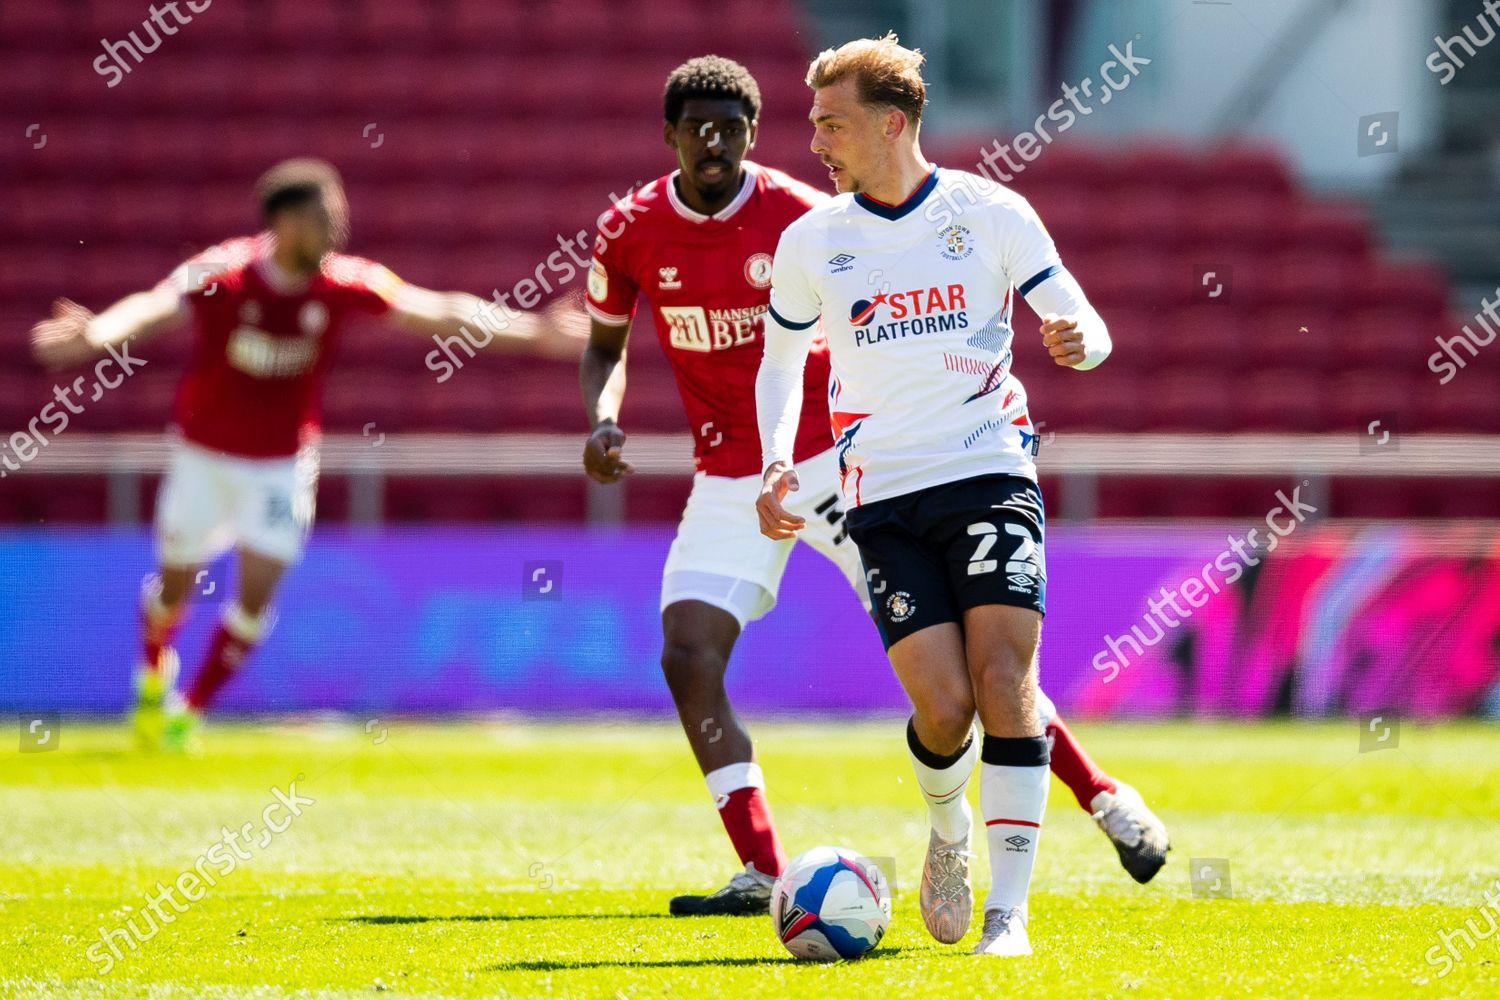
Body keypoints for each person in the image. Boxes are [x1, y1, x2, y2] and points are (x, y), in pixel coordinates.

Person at [582, 56, 1167, 920]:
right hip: (732, 475)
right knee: (686, 652)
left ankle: (1104, 796)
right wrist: (603, 416)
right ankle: (759, 868)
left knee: (979, 669)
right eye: (695, 127)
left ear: (752, 132)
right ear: (668, 135)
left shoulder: (804, 216)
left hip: (849, 467)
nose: (713, 142)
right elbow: (604, 343)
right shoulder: (629, 229)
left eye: (730, 127)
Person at [755, 33, 1151, 956]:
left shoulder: (993, 212)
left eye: (831, 122)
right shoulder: (813, 240)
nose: (815, 139)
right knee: (943, 710)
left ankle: (1008, 919)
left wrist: (1078, 344)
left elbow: (1082, 322)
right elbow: (778, 366)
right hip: (880, 497)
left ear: (891, 123)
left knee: (1005, 683)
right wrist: (778, 460)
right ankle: (947, 833)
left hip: (988, 471)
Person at [31, 157, 584, 751]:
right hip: (203, 455)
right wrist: (97, 336)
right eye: (328, 215)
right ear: (289, 222)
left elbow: (442, 310)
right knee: (174, 587)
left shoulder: (344, 282)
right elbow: (150, 306)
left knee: (258, 590)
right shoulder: (223, 273)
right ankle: (151, 672)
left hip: (281, 462)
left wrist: (534, 332)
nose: (339, 227)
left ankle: (185, 714)